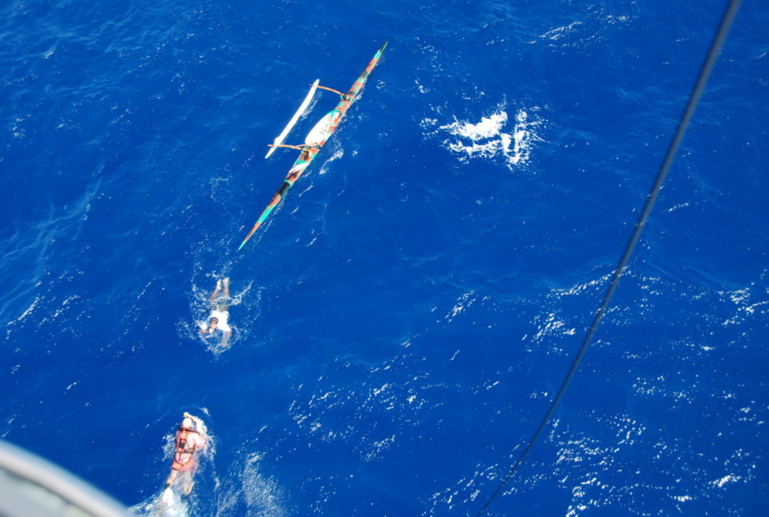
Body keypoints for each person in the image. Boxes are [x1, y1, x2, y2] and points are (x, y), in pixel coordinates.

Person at [165, 413, 207, 493]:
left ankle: (165, 490)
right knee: (186, 479)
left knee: (172, 476)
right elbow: (200, 445)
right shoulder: (194, 435)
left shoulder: (178, 432)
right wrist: (203, 438)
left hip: (177, 457)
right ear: (190, 426)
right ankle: (186, 496)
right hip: (187, 458)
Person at [199, 277, 231, 347]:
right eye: (211, 326)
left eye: (213, 326)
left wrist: (224, 340)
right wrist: (207, 331)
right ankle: (218, 288)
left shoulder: (222, 325)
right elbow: (200, 330)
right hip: (215, 311)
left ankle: (225, 284)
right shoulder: (207, 322)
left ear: (217, 324)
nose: (212, 327)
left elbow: (229, 331)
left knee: (224, 299)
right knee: (212, 300)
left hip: (223, 311)